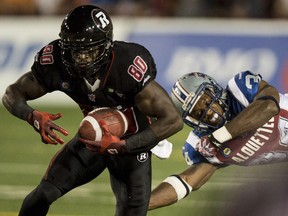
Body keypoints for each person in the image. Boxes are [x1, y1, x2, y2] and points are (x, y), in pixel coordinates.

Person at [2, 5, 183, 216]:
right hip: (91, 141)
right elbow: (12, 93)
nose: (81, 57)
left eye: (89, 50)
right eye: (75, 50)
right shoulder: (57, 61)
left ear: (106, 46)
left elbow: (173, 120)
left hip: (132, 145)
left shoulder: (126, 64)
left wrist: (124, 145)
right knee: (43, 194)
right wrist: (31, 115)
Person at [148, 71, 286, 210]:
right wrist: (140, 205)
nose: (208, 111)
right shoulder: (200, 142)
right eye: (197, 112)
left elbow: (269, 106)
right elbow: (187, 180)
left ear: (214, 90)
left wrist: (219, 137)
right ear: (191, 121)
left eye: (207, 101)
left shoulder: (239, 89)